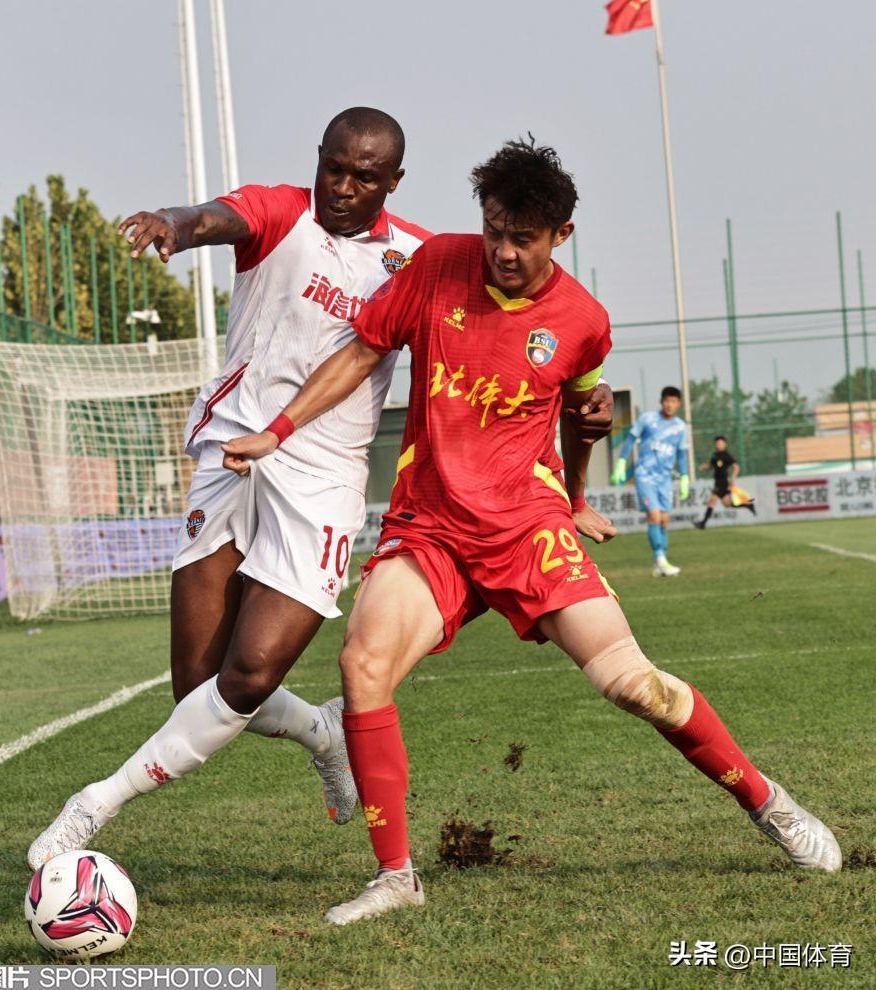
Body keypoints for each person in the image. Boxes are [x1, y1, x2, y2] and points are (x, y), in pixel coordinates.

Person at [222, 138, 841, 925]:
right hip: (432, 525)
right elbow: (362, 350)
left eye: (523, 238)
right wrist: (277, 430)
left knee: (634, 686)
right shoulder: (437, 266)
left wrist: (575, 496)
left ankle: (769, 803)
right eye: (494, 231)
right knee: (362, 665)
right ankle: (396, 877)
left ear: (560, 235)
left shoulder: (583, 320)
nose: (504, 252)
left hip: (526, 527)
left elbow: (586, 412)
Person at [27, 110, 615, 870]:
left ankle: (93, 804)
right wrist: (174, 223)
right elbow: (216, 217)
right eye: (333, 167)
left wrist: (585, 402)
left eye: (363, 177)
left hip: (324, 481)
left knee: (250, 674)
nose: (341, 187)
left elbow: (531, 323)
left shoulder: (418, 257)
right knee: (197, 686)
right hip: (233, 450)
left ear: (393, 183)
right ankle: (322, 732)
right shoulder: (282, 213)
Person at [611, 387, 690, 576]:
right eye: (667, 400)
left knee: (663, 520)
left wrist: (685, 477)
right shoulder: (647, 419)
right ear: (661, 402)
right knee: (654, 516)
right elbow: (630, 440)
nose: (669, 404)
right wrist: (621, 462)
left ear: (678, 404)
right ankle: (661, 560)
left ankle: (659, 563)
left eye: (673, 401)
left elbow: (682, 454)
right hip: (645, 475)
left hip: (665, 478)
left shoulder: (680, 427)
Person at [694, 435, 756, 528]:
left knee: (712, 500)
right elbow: (711, 465)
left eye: (720, 443)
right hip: (717, 482)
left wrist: (732, 479)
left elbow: (736, 467)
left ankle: (703, 523)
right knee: (727, 504)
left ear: (725, 444)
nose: (718, 445)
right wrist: (703, 467)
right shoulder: (715, 455)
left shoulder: (726, 456)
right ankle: (748, 505)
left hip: (723, 482)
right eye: (717, 443)